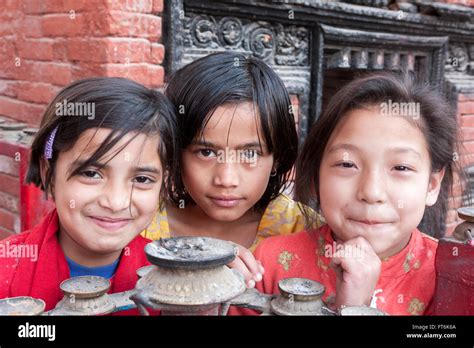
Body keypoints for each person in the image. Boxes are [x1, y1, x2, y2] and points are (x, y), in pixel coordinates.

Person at [236, 71, 459, 315]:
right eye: (347, 164)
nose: (371, 193)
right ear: (316, 174)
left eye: (401, 167)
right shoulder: (271, 262)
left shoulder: (454, 277)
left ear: (432, 185)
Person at [141, 52, 322, 288]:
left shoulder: (304, 232)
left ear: (277, 157)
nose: (226, 180)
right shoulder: (139, 223)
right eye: (206, 152)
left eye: (250, 154)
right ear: (175, 150)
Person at [0, 77, 178, 313]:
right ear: (48, 173)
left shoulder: (178, 283)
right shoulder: (5, 272)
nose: (116, 202)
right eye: (91, 173)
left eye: (142, 179)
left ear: (163, 184)